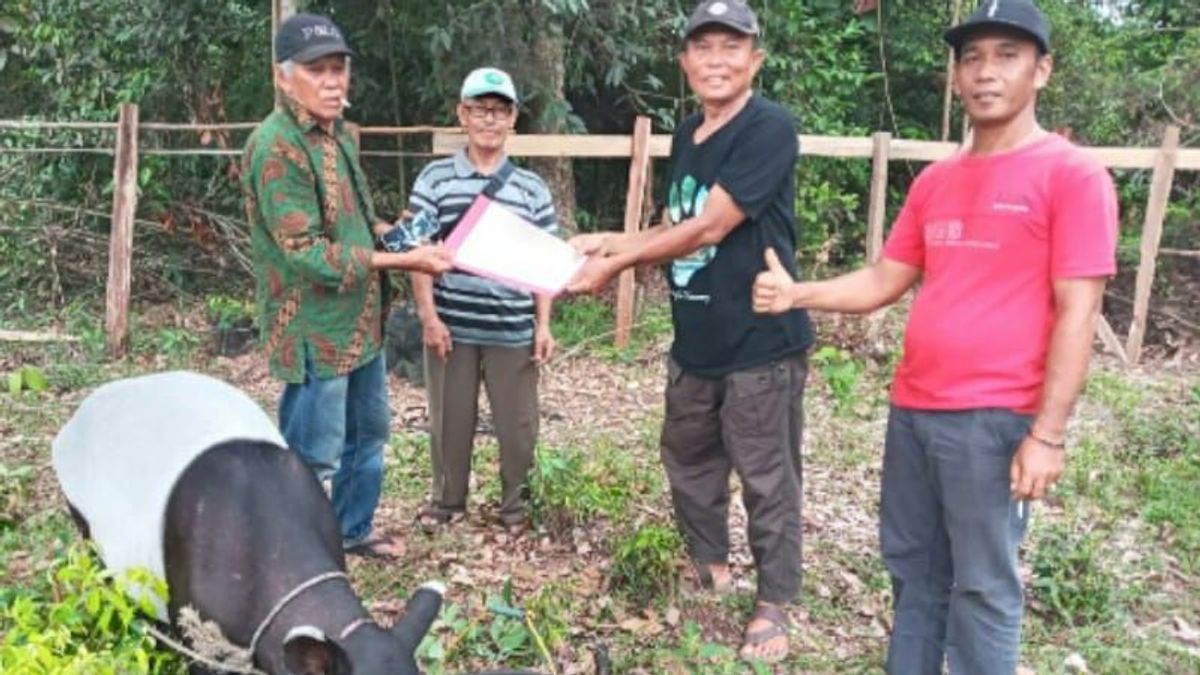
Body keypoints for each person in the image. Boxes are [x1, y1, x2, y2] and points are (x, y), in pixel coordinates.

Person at [752, 1, 1118, 672]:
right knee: (914, 574)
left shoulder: (1072, 176)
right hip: (914, 410)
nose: (986, 73)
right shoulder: (936, 181)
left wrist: (1048, 433)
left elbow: (1078, 311)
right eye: (972, 58)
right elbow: (887, 278)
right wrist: (797, 294)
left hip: (995, 418)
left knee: (982, 585)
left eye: (1006, 56)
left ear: (1043, 70)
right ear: (954, 77)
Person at [567, 0, 812, 663]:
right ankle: (711, 561)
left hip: (761, 340)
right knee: (690, 455)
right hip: (696, 338)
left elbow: (709, 227)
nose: (717, 60)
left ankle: (774, 599)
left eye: (732, 47)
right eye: (703, 47)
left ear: (755, 59)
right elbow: (677, 220)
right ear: (685, 62)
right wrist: (612, 239)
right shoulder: (685, 134)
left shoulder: (769, 129)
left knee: (767, 475)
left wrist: (617, 263)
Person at [242, 13, 451, 560]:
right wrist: (401, 259)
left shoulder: (334, 135)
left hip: (361, 323)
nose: (334, 81)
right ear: (283, 77)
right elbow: (306, 251)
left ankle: (351, 530)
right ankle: (299, 554)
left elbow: (349, 224)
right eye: (318, 70)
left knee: (370, 438)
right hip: (316, 327)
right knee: (314, 454)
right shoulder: (277, 147)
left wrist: (389, 232)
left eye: (340, 69)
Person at [383, 67, 557, 536]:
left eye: (499, 110)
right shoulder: (436, 179)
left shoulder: (531, 189)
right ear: (463, 115)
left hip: (511, 326)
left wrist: (543, 325)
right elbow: (419, 250)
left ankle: (517, 507)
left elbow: (544, 265)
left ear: (513, 119)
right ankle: (446, 502)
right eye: (479, 109)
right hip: (452, 325)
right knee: (448, 421)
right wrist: (428, 316)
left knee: (519, 426)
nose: (489, 119)